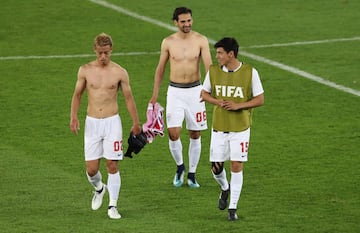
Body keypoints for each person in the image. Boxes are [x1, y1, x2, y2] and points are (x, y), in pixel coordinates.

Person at [70, 33, 142, 219]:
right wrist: (73, 117)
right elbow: (77, 95)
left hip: (112, 123)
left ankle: (113, 206)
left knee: (112, 164)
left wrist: (135, 122)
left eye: (106, 53)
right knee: (92, 169)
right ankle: (99, 188)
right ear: (95, 50)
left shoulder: (120, 72)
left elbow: (128, 98)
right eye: (100, 53)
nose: (103, 57)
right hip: (92, 123)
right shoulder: (85, 70)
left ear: (111, 50)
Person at [201, 37, 264, 220]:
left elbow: (260, 99)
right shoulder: (213, 71)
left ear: (231, 54)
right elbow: (204, 93)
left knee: (236, 165)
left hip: (240, 129)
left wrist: (239, 106)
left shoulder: (250, 72)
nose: (217, 56)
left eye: (220, 53)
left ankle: (232, 209)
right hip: (219, 128)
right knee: (216, 168)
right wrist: (217, 101)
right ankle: (224, 188)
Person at [149, 7, 212, 188]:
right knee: (173, 132)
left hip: (195, 91)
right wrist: (155, 94)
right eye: (183, 21)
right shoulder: (168, 42)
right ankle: (180, 167)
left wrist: (209, 89)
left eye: (189, 20)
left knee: (195, 132)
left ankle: (192, 173)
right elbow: (160, 69)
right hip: (175, 92)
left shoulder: (201, 40)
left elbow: (209, 66)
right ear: (175, 22)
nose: (187, 24)